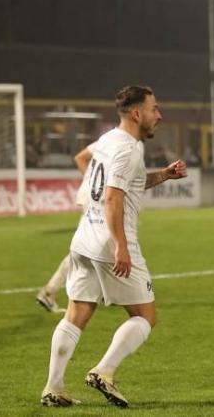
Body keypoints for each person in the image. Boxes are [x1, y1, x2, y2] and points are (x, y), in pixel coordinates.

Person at [40, 85, 187, 408]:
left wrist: (162, 175)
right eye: (154, 109)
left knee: (76, 313)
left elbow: (126, 182)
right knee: (145, 316)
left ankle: (54, 386)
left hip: (83, 240)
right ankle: (104, 372)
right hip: (110, 243)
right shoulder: (128, 149)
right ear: (137, 114)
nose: (158, 115)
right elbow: (112, 196)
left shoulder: (108, 140)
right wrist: (121, 247)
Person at [36, 144, 98, 313]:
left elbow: (80, 157)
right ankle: (49, 291)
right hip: (97, 200)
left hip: (93, 198)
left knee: (94, 247)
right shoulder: (118, 140)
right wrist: (95, 184)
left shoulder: (112, 139)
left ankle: (50, 291)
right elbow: (80, 158)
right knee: (98, 246)